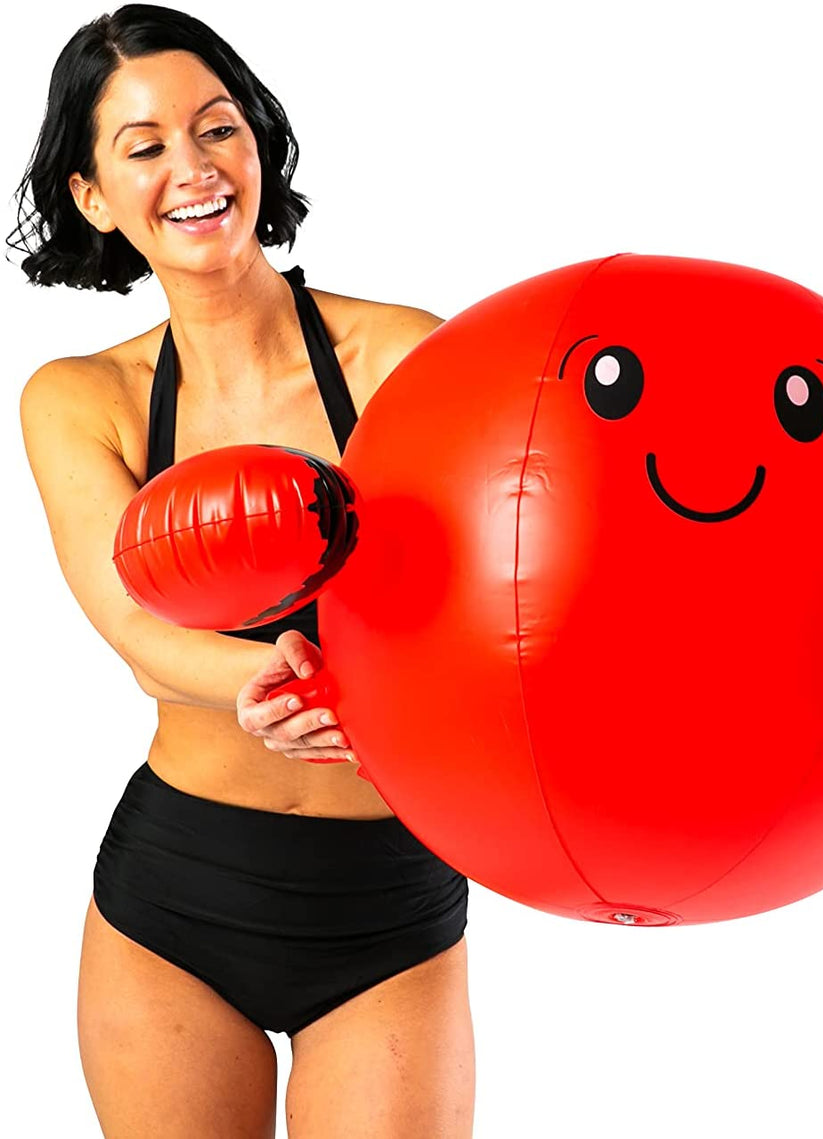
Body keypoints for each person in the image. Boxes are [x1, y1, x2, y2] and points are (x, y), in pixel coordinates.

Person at [12, 6, 474, 1136]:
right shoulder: (81, 397)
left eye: (217, 129)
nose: (193, 168)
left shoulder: (405, 355)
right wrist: (285, 686)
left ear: (257, 144)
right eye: (145, 145)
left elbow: (518, 594)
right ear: (90, 196)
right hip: (176, 892)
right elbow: (132, 626)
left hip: (388, 899)